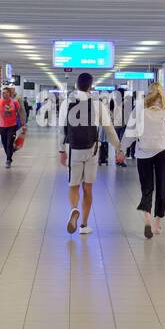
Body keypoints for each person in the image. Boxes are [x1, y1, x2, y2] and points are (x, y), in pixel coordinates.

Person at [122, 83, 165, 239]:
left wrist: (121, 149)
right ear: (162, 93)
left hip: (142, 154)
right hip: (162, 152)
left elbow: (130, 132)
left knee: (147, 187)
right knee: (162, 187)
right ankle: (157, 223)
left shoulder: (139, 109)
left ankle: (146, 217)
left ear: (148, 94)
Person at [58, 73, 124, 235]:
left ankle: (74, 209)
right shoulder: (97, 104)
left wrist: (61, 150)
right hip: (92, 149)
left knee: (73, 186)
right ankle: (84, 225)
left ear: (76, 85)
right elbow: (109, 129)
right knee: (88, 187)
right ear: (90, 86)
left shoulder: (67, 102)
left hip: (73, 149)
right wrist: (118, 148)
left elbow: (61, 129)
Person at [0, 85, 23, 167]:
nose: (4, 94)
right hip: (2, 126)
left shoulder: (14, 103)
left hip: (12, 126)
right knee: (4, 143)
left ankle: (8, 160)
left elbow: (20, 113)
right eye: (3, 93)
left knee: (9, 142)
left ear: (9, 94)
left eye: (5, 93)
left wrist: (23, 123)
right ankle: (10, 153)